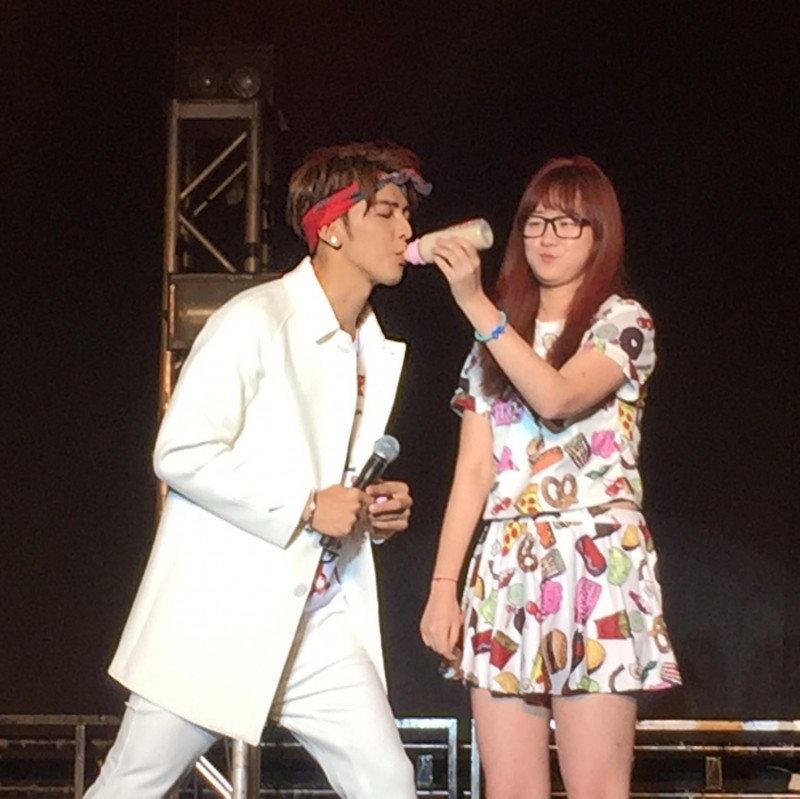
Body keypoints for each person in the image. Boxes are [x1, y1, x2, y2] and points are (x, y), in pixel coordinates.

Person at [86, 142, 431, 799]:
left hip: (316, 617)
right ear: (332, 227)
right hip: (222, 609)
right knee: (131, 786)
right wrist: (308, 504)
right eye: (386, 212)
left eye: (406, 214)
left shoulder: (371, 344)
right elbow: (180, 450)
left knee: (388, 780)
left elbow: (329, 479)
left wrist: (368, 512)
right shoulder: (256, 319)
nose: (405, 230)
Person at [419, 155, 681, 798]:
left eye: (568, 223)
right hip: (506, 562)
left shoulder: (623, 321)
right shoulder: (492, 339)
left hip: (594, 556)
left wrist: (477, 305)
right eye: (535, 222)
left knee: (596, 788)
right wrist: (443, 586)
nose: (547, 237)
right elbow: (473, 469)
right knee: (510, 789)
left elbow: (557, 398)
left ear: (600, 235)